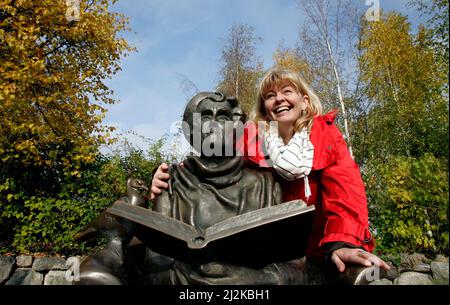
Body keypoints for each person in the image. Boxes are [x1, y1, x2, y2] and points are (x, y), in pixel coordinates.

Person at [151, 68, 390, 276]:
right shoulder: (253, 139)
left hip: (323, 247)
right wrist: (169, 177)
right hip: (277, 248)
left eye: (287, 92)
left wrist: (342, 242)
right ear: (265, 108)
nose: (279, 99)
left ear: (304, 101)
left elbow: (345, 194)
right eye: (270, 96)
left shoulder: (326, 137)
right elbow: (212, 160)